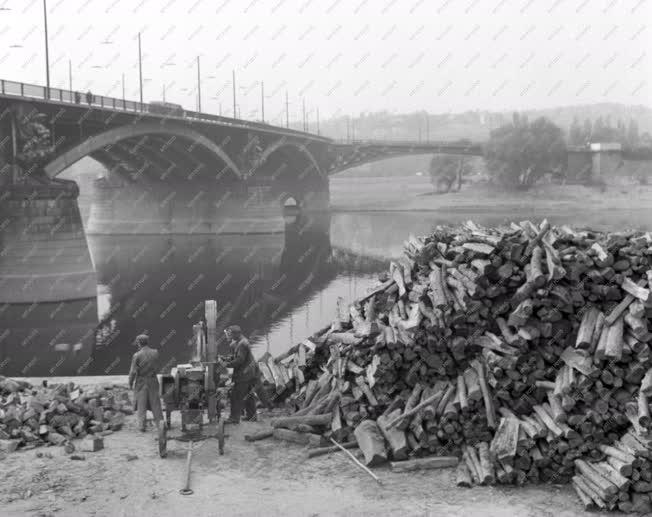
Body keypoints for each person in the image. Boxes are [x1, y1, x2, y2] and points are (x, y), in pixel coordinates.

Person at [221, 325, 259, 424]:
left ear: (236, 334)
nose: (229, 335)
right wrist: (226, 358)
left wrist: (227, 364)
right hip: (249, 373)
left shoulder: (242, 344)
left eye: (230, 333)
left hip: (244, 375)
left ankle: (234, 418)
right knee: (248, 395)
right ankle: (252, 416)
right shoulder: (239, 342)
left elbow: (239, 360)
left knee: (236, 396)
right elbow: (235, 356)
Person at [128, 334, 164, 432]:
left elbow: (133, 372)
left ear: (139, 343)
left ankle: (142, 426)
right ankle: (160, 424)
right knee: (155, 402)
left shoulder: (136, 355)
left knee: (141, 403)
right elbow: (158, 366)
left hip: (141, 381)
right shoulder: (155, 352)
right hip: (153, 380)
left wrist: (130, 383)